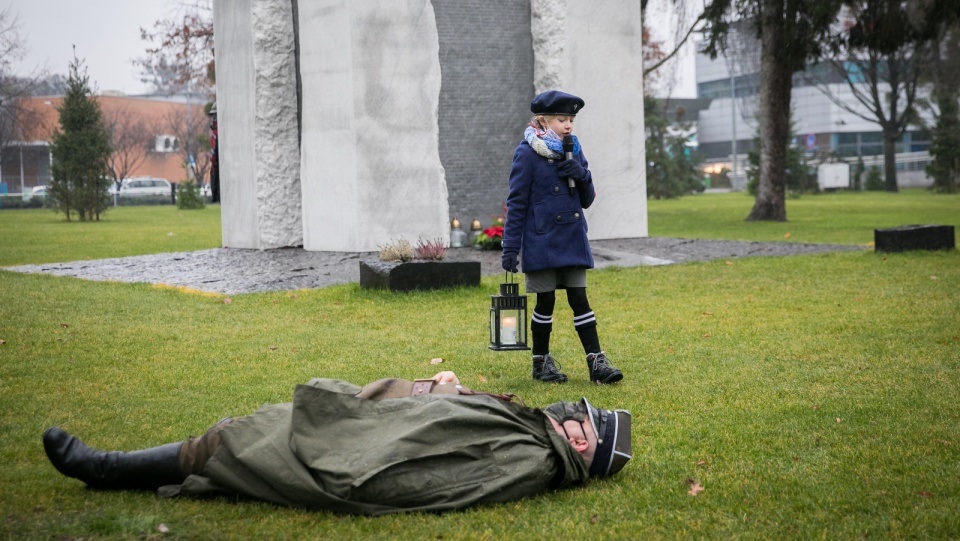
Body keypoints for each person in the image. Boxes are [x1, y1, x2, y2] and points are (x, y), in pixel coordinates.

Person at [43, 371, 631, 516]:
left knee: (233, 441)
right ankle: (120, 466)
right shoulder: (533, 432)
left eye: (582, 422)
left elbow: (434, 478)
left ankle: (105, 469)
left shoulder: (529, 460)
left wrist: (343, 462)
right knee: (252, 425)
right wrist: (439, 387)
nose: (570, 415)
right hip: (369, 423)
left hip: (353, 453)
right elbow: (449, 420)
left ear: (584, 449)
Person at [501, 90, 624, 385]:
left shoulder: (574, 149)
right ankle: (541, 363)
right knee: (545, 303)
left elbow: (588, 199)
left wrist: (581, 173)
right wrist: (510, 248)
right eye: (562, 119)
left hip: (572, 237)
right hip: (541, 240)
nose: (568, 125)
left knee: (580, 299)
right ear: (543, 120)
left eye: (571, 119)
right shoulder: (527, 153)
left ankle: (596, 362)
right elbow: (516, 203)